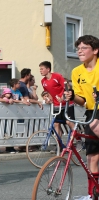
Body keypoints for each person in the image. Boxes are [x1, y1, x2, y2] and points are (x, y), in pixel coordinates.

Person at [64, 35, 99, 200]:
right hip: (91, 112)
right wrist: (71, 96)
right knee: (92, 156)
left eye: (84, 47)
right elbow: (82, 100)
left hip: (96, 116)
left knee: (93, 125)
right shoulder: (76, 71)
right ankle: (93, 194)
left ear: (95, 50)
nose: (79, 50)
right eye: (78, 48)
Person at [39, 61, 75, 141]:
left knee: (69, 122)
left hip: (66, 104)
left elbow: (67, 87)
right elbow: (47, 93)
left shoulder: (57, 76)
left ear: (48, 69)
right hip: (56, 105)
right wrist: (47, 99)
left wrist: (63, 96)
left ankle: (78, 139)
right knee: (56, 124)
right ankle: (59, 144)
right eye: (40, 69)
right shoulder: (43, 81)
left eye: (42, 69)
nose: (40, 71)